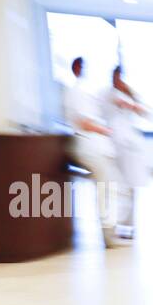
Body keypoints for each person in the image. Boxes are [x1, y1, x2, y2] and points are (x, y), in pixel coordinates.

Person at [64, 57, 121, 248]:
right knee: (106, 191)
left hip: (95, 147)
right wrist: (107, 131)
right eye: (83, 66)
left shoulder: (82, 91)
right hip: (91, 147)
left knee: (109, 190)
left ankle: (111, 234)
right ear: (77, 68)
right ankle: (109, 237)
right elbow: (85, 123)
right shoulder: (78, 92)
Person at [103, 65, 149, 239]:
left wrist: (131, 95)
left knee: (130, 188)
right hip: (115, 146)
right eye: (116, 76)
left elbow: (144, 112)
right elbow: (120, 106)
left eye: (121, 77)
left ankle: (129, 226)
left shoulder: (126, 95)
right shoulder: (109, 95)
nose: (119, 80)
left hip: (128, 147)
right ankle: (115, 224)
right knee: (116, 187)